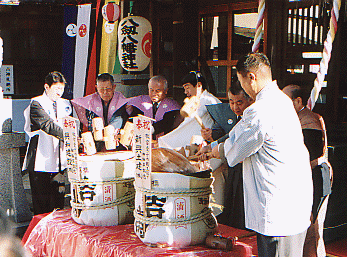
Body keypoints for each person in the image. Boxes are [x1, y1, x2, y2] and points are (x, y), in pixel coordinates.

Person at [207, 53, 313, 256]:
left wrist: (217, 149)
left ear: (251, 78)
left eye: (241, 81)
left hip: (278, 208)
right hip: (292, 201)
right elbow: (238, 135)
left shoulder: (261, 110)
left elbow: (235, 153)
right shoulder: (281, 100)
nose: (243, 88)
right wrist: (218, 146)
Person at [283, 84, 332, 257]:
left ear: (298, 101)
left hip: (314, 179)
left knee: (312, 232)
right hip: (306, 180)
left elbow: (309, 156)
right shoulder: (296, 118)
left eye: (286, 100)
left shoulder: (309, 120)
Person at [198, 81, 253, 229]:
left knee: (245, 209)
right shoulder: (230, 114)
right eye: (231, 102)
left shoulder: (254, 116)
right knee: (232, 206)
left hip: (249, 169)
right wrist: (210, 145)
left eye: (239, 102)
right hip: (233, 167)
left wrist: (215, 149)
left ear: (250, 100)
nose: (235, 107)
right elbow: (230, 135)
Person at [22, 71, 72, 215]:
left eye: (62, 89)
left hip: (58, 158)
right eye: (56, 89)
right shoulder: (36, 103)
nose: (59, 93)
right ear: (46, 87)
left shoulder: (65, 104)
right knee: (42, 204)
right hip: (40, 158)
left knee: (58, 201)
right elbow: (48, 125)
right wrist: (70, 136)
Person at [158, 71, 221, 149]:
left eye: (187, 88)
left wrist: (164, 140)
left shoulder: (208, 100)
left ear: (199, 85)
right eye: (184, 89)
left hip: (208, 143)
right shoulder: (197, 101)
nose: (185, 92)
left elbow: (187, 125)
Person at [71, 73, 128, 151]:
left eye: (108, 89)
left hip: (115, 140)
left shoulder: (120, 99)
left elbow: (119, 118)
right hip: (97, 142)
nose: (105, 92)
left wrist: (110, 130)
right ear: (96, 88)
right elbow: (91, 121)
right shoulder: (91, 101)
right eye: (101, 89)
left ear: (114, 87)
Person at [127, 75, 181, 139]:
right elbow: (134, 118)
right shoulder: (141, 102)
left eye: (158, 91)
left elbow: (167, 123)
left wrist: (151, 129)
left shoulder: (172, 106)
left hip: (164, 140)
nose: (154, 94)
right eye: (151, 90)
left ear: (165, 91)